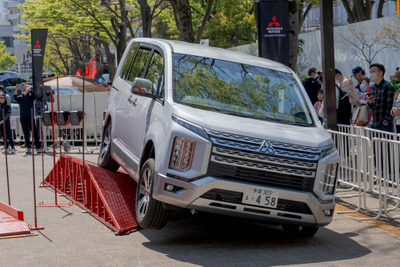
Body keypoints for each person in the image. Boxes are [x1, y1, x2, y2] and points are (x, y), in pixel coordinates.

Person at [367, 63, 396, 132]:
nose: (371, 74)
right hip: (374, 124)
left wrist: (385, 122)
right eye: (370, 72)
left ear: (380, 73)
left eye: (373, 72)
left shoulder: (388, 86)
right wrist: (369, 103)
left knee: (385, 143)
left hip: (385, 125)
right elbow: (373, 107)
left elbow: (390, 106)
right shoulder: (372, 88)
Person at [14, 83, 42, 154]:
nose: (23, 90)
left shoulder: (30, 96)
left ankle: (38, 147)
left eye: (24, 88)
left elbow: (35, 96)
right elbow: (15, 97)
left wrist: (29, 89)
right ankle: (28, 147)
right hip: (23, 117)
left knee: (34, 132)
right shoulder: (20, 97)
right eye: (22, 89)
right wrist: (16, 89)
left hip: (30, 116)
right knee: (25, 133)